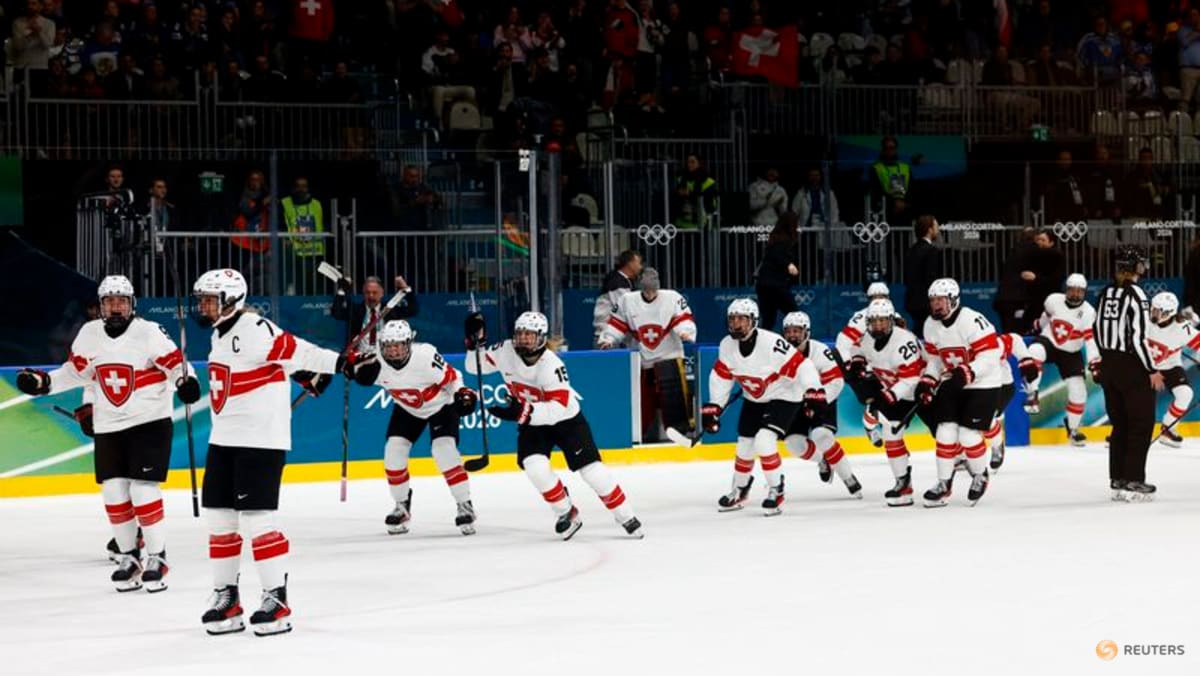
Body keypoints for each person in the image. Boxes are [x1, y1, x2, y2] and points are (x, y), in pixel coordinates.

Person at [16, 275, 199, 592]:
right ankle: (129, 557)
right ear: (100, 306)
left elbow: (176, 364)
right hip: (110, 424)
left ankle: (158, 556)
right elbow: (75, 372)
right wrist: (45, 384)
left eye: (121, 301)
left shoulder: (149, 332)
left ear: (132, 305)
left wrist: (187, 382)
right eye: (109, 302)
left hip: (149, 421)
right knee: (113, 492)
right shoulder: (89, 334)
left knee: (142, 490)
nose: (115, 308)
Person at [192, 268, 347, 636]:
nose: (204, 306)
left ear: (231, 300)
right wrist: (302, 376)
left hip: (260, 440)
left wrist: (340, 363)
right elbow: (277, 362)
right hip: (224, 439)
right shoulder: (220, 333)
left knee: (257, 521)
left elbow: (298, 349)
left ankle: (276, 599)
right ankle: (226, 597)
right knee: (220, 520)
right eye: (203, 299)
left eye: (210, 299)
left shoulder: (255, 328)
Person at [464, 310, 644, 540]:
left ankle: (625, 515)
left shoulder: (552, 365)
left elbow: (557, 409)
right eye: (520, 334)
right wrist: (473, 343)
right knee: (535, 467)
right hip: (532, 421)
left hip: (567, 421)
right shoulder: (505, 350)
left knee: (592, 472)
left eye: (529, 335)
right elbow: (474, 367)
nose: (523, 339)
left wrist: (523, 411)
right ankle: (566, 513)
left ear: (541, 338)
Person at [343, 320, 479, 534]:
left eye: (398, 345)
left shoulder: (424, 357)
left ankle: (465, 504)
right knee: (393, 452)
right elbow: (352, 366)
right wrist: (350, 367)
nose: (393, 350)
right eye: (388, 345)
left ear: (409, 343)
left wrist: (462, 393)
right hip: (407, 409)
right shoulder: (376, 361)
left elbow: (454, 378)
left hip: (440, 405)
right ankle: (401, 507)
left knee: (444, 451)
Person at [701, 298, 823, 516]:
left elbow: (801, 364)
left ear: (754, 321)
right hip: (755, 397)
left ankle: (776, 489)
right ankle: (740, 489)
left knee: (764, 441)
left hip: (785, 395)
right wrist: (715, 406)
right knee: (744, 444)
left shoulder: (771, 344)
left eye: (742, 319)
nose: (737, 324)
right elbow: (721, 376)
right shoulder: (727, 346)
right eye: (733, 319)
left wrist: (813, 388)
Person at [917, 278, 1004, 508]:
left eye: (941, 300)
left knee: (967, 435)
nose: (936, 305)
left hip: (984, 383)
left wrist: (968, 372)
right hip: (955, 382)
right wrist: (928, 380)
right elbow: (935, 359)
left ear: (954, 300)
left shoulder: (972, 320)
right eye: (933, 300)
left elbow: (990, 355)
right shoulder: (930, 325)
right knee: (945, 432)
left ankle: (980, 475)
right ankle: (944, 483)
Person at [1093, 245, 1161, 502]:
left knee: (1119, 423)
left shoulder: (1104, 292)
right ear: (1136, 267)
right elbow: (1139, 338)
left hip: (1109, 364)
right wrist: (1151, 369)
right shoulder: (1137, 294)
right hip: (1132, 367)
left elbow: (1096, 329)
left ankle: (1118, 477)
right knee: (1140, 424)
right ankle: (1134, 479)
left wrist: (1106, 361)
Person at [597, 268, 697, 442]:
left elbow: (683, 318)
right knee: (642, 405)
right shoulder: (627, 300)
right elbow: (617, 324)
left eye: (653, 290)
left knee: (675, 404)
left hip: (670, 358)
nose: (650, 293)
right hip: (643, 361)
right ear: (640, 287)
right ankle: (638, 435)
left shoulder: (673, 298)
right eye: (646, 290)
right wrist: (609, 338)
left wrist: (685, 331)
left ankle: (680, 435)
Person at [779, 311, 862, 499]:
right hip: (794, 402)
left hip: (820, 398)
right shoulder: (778, 351)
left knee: (821, 436)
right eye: (789, 331)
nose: (792, 335)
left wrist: (820, 401)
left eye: (797, 331)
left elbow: (836, 381)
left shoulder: (820, 351)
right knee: (793, 444)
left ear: (807, 332)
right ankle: (822, 460)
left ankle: (848, 477)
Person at [1023, 274, 1099, 446]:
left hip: (1071, 352)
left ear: (1085, 292)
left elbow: (1090, 340)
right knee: (1034, 351)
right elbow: (1045, 318)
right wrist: (1036, 327)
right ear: (1066, 289)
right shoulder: (1053, 300)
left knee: (1079, 392)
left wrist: (1094, 361)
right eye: (1072, 290)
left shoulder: (1088, 312)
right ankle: (1032, 393)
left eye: (1080, 291)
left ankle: (1072, 429)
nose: (1075, 294)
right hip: (1049, 341)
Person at [836, 282, 899, 445]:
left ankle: (889, 437)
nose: (878, 300)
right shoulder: (861, 318)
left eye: (882, 297)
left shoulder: (895, 317)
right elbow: (843, 343)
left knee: (889, 406)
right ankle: (870, 428)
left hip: (885, 370)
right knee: (873, 402)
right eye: (874, 297)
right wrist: (851, 365)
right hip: (861, 367)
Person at [1145, 292, 1199, 448]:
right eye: (1153, 309)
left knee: (1185, 394)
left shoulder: (1183, 328)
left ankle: (1167, 429)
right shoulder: (1143, 320)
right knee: (1137, 403)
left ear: (1169, 313)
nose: (1153, 314)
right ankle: (1121, 432)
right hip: (1145, 367)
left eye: (1158, 311)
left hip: (1170, 366)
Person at [331, 275, 419, 354]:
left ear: (382, 293)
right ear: (363, 293)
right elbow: (336, 313)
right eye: (367, 292)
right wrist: (342, 289)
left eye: (375, 292)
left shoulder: (391, 310)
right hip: (360, 356)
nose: (371, 296)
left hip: (387, 355)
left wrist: (405, 288)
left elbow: (413, 310)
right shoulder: (354, 311)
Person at [753, 214, 799, 331]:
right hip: (774, 285)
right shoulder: (783, 240)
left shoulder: (775, 238)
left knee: (768, 321)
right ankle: (795, 343)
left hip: (764, 285)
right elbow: (776, 254)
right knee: (795, 316)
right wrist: (788, 264)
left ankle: (763, 344)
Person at [281, 177, 326, 293]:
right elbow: (281, 224)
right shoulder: (284, 203)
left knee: (315, 286)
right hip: (293, 252)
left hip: (315, 251)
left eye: (304, 186)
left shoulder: (317, 204)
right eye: (298, 186)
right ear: (293, 188)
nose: (301, 189)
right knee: (296, 286)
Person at [592, 249, 642, 346]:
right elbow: (625, 309)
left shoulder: (626, 281)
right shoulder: (616, 282)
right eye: (638, 263)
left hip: (617, 337)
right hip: (607, 336)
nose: (640, 267)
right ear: (630, 264)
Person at [902, 215, 942, 335]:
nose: (938, 230)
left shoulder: (910, 250)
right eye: (936, 227)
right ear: (929, 230)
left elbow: (906, 278)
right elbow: (932, 280)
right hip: (926, 303)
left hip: (911, 301)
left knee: (920, 331)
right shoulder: (931, 251)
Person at [870, 136, 917, 224]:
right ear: (883, 150)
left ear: (896, 149)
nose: (889, 151)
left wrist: (904, 204)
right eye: (886, 148)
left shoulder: (905, 167)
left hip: (905, 211)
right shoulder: (876, 168)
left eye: (892, 148)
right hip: (886, 212)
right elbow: (876, 191)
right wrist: (894, 203)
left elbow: (912, 189)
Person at [673, 153, 719, 230]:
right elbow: (674, 202)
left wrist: (690, 194)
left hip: (702, 223)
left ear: (699, 164)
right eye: (688, 162)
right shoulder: (681, 180)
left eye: (693, 162)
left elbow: (711, 204)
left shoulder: (709, 182)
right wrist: (678, 194)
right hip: (681, 222)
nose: (689, 165)